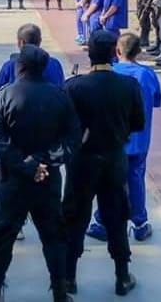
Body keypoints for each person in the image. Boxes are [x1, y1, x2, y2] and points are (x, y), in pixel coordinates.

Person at [0, 45, 80, 302]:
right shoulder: (60, 96)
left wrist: (26, 164)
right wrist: (42, 162)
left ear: (20, 66)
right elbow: (72, 140)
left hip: (12, 177)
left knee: (2, 236)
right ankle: (59, 292)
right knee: (53, 236)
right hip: (47, 178)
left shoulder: (3, 96)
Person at [63, 30, 145, 296]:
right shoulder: (128, 85)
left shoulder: (73, 86)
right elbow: (138, 123)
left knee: (75, 217)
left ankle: (68, 276)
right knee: (116, 218)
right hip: (113, 158)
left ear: (89, 54)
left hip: (82, 160)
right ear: (114, 53)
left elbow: (65, 127)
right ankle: (122, 275)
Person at [86, 33, 161, 243]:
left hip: (113, 138)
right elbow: (156, 101)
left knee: (108, 181)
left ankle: (102, 221)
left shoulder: (112, 73)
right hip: (139, 138)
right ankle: (139, 223)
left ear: (117, 51)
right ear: (139, 51)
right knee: (136, 178)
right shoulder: (147, 74)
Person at [0, 23, 65, 87]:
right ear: (40, 41)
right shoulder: (55, 64)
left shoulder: (9, 66)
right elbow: (61, 88)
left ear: (21, 42)